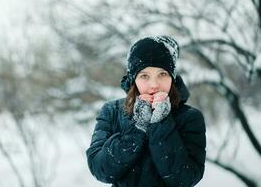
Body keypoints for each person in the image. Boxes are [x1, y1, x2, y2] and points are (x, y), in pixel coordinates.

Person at [86, 36, 206, 187]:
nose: (154, 84)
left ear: (172, 78)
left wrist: (161, 123)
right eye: (144, 76)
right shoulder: (112, 112)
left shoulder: (190, 118)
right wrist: (138, 128)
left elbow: (185, 179)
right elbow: (100, 169)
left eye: (162, 74)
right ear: (133, 79)